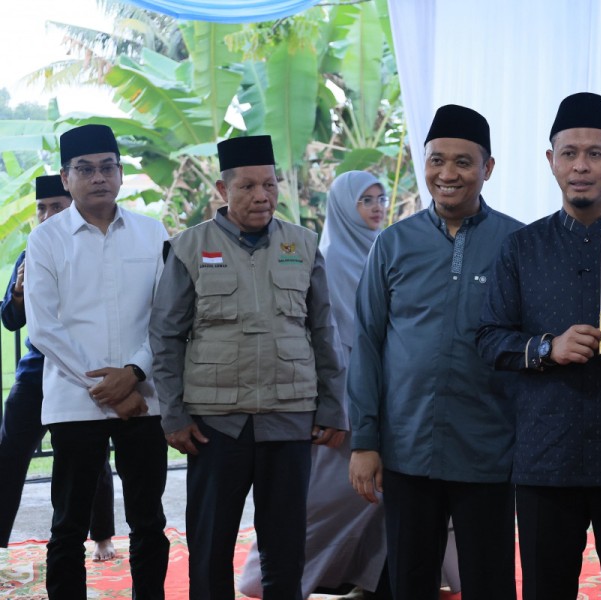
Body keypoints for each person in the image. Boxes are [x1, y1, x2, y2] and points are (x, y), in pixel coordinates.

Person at [477, 92, 601, 600]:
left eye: (596, 154)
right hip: (548, 459)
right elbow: (489, 338)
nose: (581, 166)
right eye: (569, 153)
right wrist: (548, 348)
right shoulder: (522, 247)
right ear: (551, 160)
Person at [149, 134, 347, 600]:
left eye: (270, 184)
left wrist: (333, 407)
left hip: (289, 416)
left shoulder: (303, 244)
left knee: (286, 547)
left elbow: (324, 330)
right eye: (248, 186)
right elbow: (166, 336)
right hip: (216, 424)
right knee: (210, 544)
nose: (262, 196)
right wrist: (173, 414)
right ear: (223, 190)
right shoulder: (189, 247)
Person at [348, 104, 521, 600]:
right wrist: (365, 440)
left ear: (488, 168)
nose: (447, 174)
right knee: (410, 581)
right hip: (407, 448)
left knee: (489, 583)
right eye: (436, 160)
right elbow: (367, 342)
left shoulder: (517, 242)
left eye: (463, 162)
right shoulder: (393, 243)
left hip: (489, 448)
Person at [25, 124, 170, 599]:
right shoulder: (46, 239)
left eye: (108, 167)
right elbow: (45, 327)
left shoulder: (151, 233)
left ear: (121, 173)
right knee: (69, 524)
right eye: (85, 169)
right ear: (66, 178)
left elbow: (166, 316)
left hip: (143, 399)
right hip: (74, 403)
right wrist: (108, 389)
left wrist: (133, 374)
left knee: (148, 520)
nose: (99, 177)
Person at [237, 170, 391, 599]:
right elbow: (330, 338)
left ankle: (367, 578)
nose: (376, 207)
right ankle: (272, 576)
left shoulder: (386, 248)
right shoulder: (330, 258)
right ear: (343, 207)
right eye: (365, 200)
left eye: (381, 198)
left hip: (385, 392)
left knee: (378, 496)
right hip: (344, 399)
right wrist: (337, 406)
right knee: (325, 496)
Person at [0, 175, 117, 562]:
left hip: (83, 367)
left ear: (73, 206)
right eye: (41, 208)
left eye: (57, 206)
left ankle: (102, 536)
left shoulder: (92, 249)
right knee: (9, 450)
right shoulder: (31, 251)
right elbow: (10, 320)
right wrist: (18, 293)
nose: (48, 214)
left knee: (90, 453)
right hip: (37, 368)